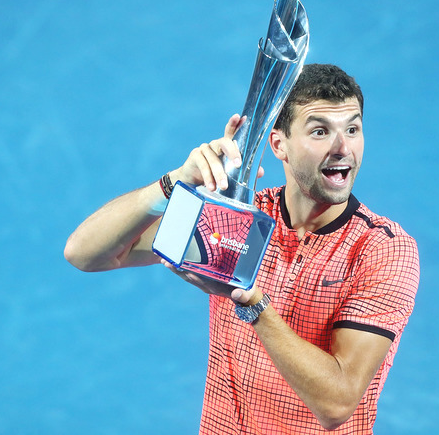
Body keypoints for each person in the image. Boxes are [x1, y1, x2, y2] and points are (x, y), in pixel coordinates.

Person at [64, 63, 420, 434]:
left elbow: (337, 402)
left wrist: (253, 305)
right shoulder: (239, 219)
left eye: (352, 128)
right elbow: (86, 253)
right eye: (320, 131)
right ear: (278, 143)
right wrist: (174, 183)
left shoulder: (382, 249)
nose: (343, 147)